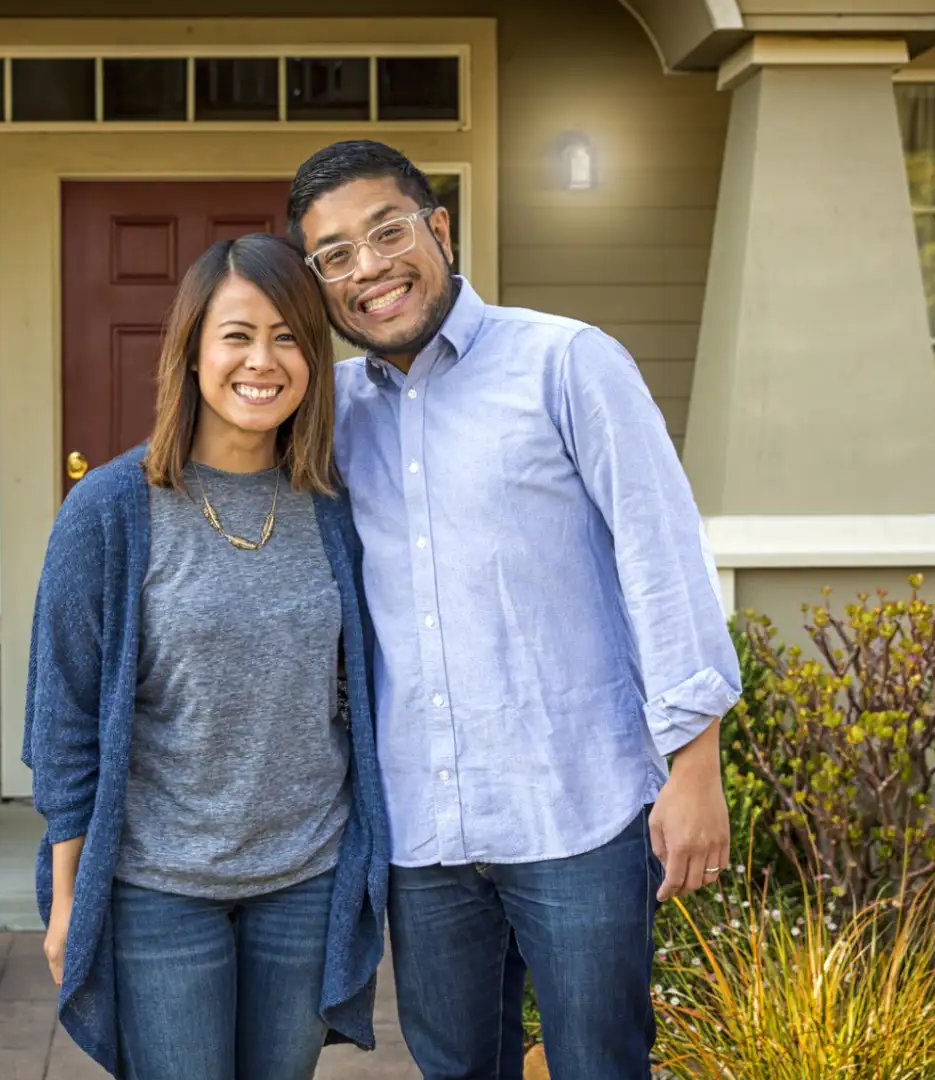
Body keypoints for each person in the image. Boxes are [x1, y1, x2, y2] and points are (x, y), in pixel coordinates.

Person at [287, 139, 743, 1080]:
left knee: (600, 1064)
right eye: (335, 255)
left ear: (439, 230)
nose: (368, 267)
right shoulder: (327, 413)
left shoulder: (567, 363)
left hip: (577, 807)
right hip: (424, 829)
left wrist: (695, 761)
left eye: (386, 231)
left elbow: (662, 558)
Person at [24, 232, 390, 1080]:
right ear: (190, 353)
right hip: (160, 888)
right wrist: (70, 896)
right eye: (237, 335)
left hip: (305, 876)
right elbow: (63, 719)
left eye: (290, 337)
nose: (263, 361)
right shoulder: (111, 511)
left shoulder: (334, 506)